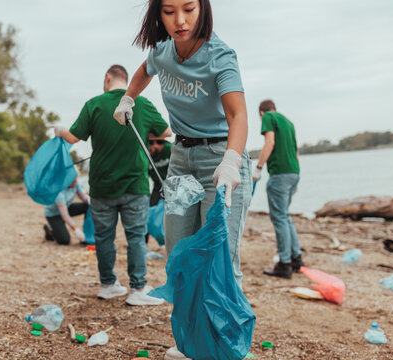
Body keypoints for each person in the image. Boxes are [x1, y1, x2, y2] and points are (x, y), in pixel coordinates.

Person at [113, 1, 251, 358]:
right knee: (178, 256)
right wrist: (128, 97)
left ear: (202, 8)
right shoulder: (162, 51)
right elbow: (144, 69)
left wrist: (232, 161)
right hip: (180, 161)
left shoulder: (220, 56)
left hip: (221, 162)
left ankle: (225, 349)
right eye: (169, 11)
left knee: (219, 258)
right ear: (158, 15)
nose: (180, 20)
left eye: (188, 8)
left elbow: (238, 115)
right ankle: (191, 343)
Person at [55, 64, 172, 306]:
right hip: (134, 184)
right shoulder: (141, 103)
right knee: (136, 237)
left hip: (101, 186)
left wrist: (59, 131)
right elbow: (167, 132)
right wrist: (143, 130)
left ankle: (108, 285)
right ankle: (138, 289)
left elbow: (72, 138)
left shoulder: (94, 104)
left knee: (104, 237)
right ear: (127, 80)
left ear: (108, 78)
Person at [253, 99, 303, 279]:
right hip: (293, 172)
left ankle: (284, 263)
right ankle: (296, 258)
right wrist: (295, 177)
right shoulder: (288, 122)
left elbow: (270, 142)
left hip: (279, 174)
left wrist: (258, 167)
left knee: (279, 218)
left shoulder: (268, 117)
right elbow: (296, 151)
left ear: (261, 113)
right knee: (285, 216)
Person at [148, 137, 171, 207]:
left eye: (159, 142)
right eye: (150, 143)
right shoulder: (144, 155)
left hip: (171, 184)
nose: (155, 146)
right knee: (152, 206)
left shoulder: (169, 149)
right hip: (158, 186)